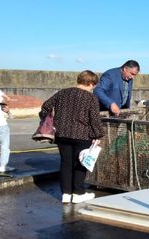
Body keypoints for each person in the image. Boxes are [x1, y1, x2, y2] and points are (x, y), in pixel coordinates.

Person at [40, 70, 105, 204]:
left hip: (61, 134)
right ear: (91, 84)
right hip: (82, 135)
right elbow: (94, 118)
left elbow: (45, 106)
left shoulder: (62, 93)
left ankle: (65, 194)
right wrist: (98, 134)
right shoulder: (91, 98)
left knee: (66, 163)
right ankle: (78, 193)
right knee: (80, 164)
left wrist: (49, 121)